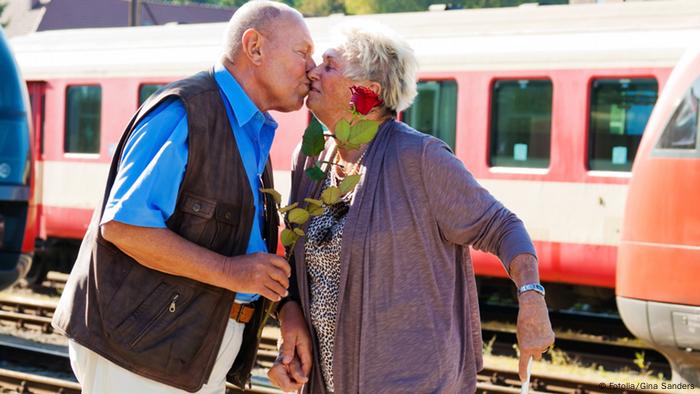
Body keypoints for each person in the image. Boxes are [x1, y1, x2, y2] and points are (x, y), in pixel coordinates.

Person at [269, 22, 555, 393]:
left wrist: (531, 296)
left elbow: (502, 226)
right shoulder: (311, 160)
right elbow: (296, 261)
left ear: (365, 93)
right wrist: (288, 313)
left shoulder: (419, 158)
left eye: (329, 65)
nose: (313, 71)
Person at [51, 1, 315, 393]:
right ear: (254, 47)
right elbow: (124, 227)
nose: (311, 69)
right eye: (303, 53)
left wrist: (285, 309)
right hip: (140, 350)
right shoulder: (185, 111)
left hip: (182, 347)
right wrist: (231, 272)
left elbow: (241, 248)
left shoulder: (248, 128)